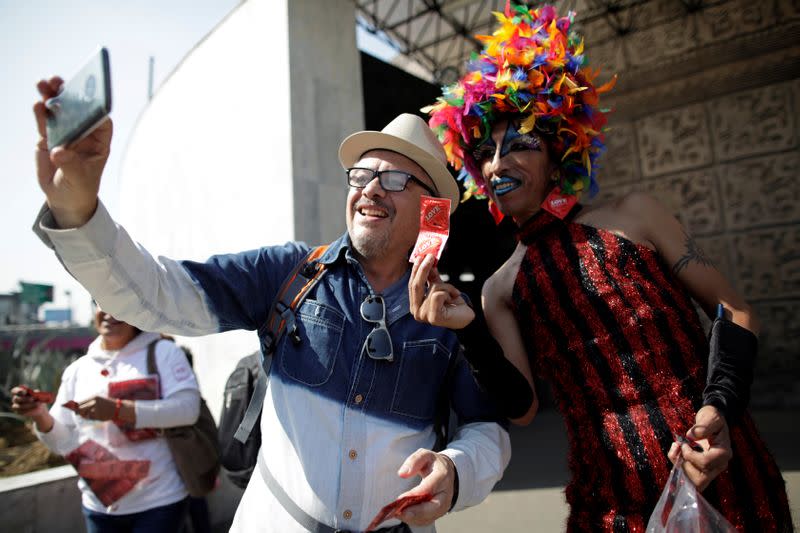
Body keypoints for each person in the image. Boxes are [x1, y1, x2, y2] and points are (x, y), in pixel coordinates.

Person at [30, 76, 511, 533]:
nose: (370, 187)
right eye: (361, 173)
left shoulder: (454, 315)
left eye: (396, 178)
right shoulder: (287, 273)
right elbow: (159, 294)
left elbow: (486, 430)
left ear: (432, 211)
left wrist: (456, 469)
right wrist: (79, 212)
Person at [417, 3, 794, 531]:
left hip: (724, 476)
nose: (499, 162)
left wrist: (720, 410)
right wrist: (468, 332)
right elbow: (522, 408)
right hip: (609, 509)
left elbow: (736, 311)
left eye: (521, 144)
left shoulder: (634, 215)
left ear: (558, 152)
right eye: (487, 151)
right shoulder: (500, 288)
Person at [11, 304, 200, 533]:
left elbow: (188, 410)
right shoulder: (78, 370)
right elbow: (62, 442)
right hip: (98, 505)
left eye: (117, 304)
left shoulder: (164, 353)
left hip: (160, 501)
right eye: (102, 304)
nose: (110, 313)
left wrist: (118, 409)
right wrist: (39, 415)